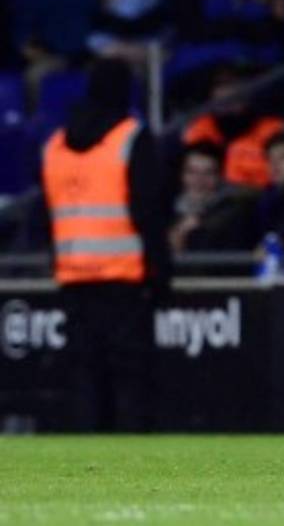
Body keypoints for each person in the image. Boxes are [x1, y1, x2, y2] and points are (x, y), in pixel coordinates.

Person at [41, 60, 169, 431]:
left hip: (73, 277)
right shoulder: (130, 138)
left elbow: (50, 215)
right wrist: (160, 273)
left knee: (84, 372)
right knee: (131, 375)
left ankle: (88, 461)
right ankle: (131, 463)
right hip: (123, 277)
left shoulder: (55, 146)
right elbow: (148, 212)